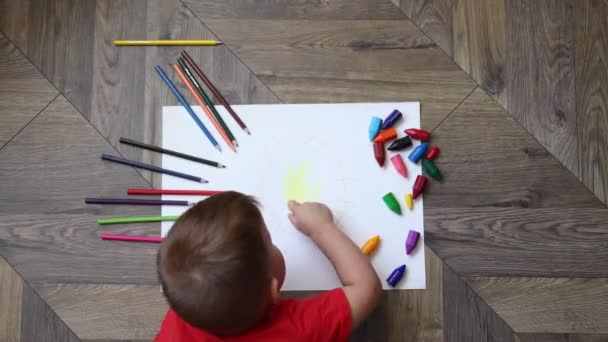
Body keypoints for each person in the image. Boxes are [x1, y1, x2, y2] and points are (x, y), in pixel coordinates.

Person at [155, 191, 382, 341]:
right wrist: (321, 228)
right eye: (269, 242)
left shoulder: (188, 303)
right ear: (272, 291)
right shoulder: (296, 330)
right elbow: (366, 288)